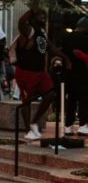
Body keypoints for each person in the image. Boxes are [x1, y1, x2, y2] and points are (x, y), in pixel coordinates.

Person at [12, 9, 62, 140]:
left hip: (40, 72)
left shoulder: (42, 32)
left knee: (50, 95)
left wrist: (65, 58)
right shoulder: (29, 31)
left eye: (44, 16)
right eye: (40, 16)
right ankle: (28, 130)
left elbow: (51, 48)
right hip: (26, 72)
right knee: (26, 101)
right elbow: (21, 22)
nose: (44, 18)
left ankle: (34, 122)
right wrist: (31, 10)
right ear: (33, 18)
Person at [61, 17, 88, 135]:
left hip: (69, 74)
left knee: (71, 100)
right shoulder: (86, 39)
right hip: (83, 74)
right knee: (84, 100)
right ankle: (83, 125)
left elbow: (62, 53)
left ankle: (68, 126)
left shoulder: (66, 38)